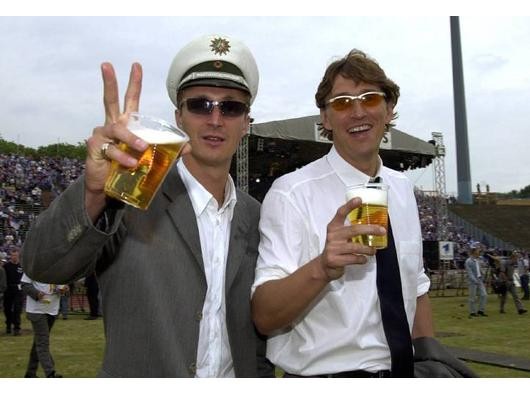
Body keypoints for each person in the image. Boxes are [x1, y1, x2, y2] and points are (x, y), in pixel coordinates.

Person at [22, 34, 272, 378]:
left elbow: (256, 337)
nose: (215, 119)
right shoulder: (130, 196)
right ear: (179, 117)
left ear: (246, 123)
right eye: (200, 104)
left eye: (231, 107)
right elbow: (42, 264)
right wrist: (95, 194)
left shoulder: (257, 216)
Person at [252, 49, 440, 378]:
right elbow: (264, 315)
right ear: (325, 118)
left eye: (369, 98)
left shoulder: (401, 188)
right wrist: (321, 267)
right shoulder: (291, 193)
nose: (356, 112)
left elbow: (417, 289)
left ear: (389, 108)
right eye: (341, 103)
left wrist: (431, 360)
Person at [21, 274, 67, 378]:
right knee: (42, 342)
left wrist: (64, 290)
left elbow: (64, 288)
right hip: (37, 311)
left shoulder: (58, 269)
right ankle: (50, 373)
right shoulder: (33, 266)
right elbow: (24, 284)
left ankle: (30, 373)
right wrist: (36, 293)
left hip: (52, 310)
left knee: (38, 341)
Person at [3, 247, 23, 336]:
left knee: (17, 309)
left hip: (19, 290)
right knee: (7, 308)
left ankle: (17, 327)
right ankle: (8, 325)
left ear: (18, 255)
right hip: (8, 289)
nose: (14, 257)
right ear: (10, 256)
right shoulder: (6, 266)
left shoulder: (22, 266)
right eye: (12, 255)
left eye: (16, 255)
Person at [464, 247, 488, 318]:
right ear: (474, 252)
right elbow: (469, 272)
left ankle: (481, 310)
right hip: (472, 281)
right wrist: (474, 280)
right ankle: (472, 312)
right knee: (472, 297)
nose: (479, 252)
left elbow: (479, 269)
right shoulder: (468, 261)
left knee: (484, 295)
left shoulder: (478, 260)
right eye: (478, 251)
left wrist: (482, 276)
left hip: (480, 279)